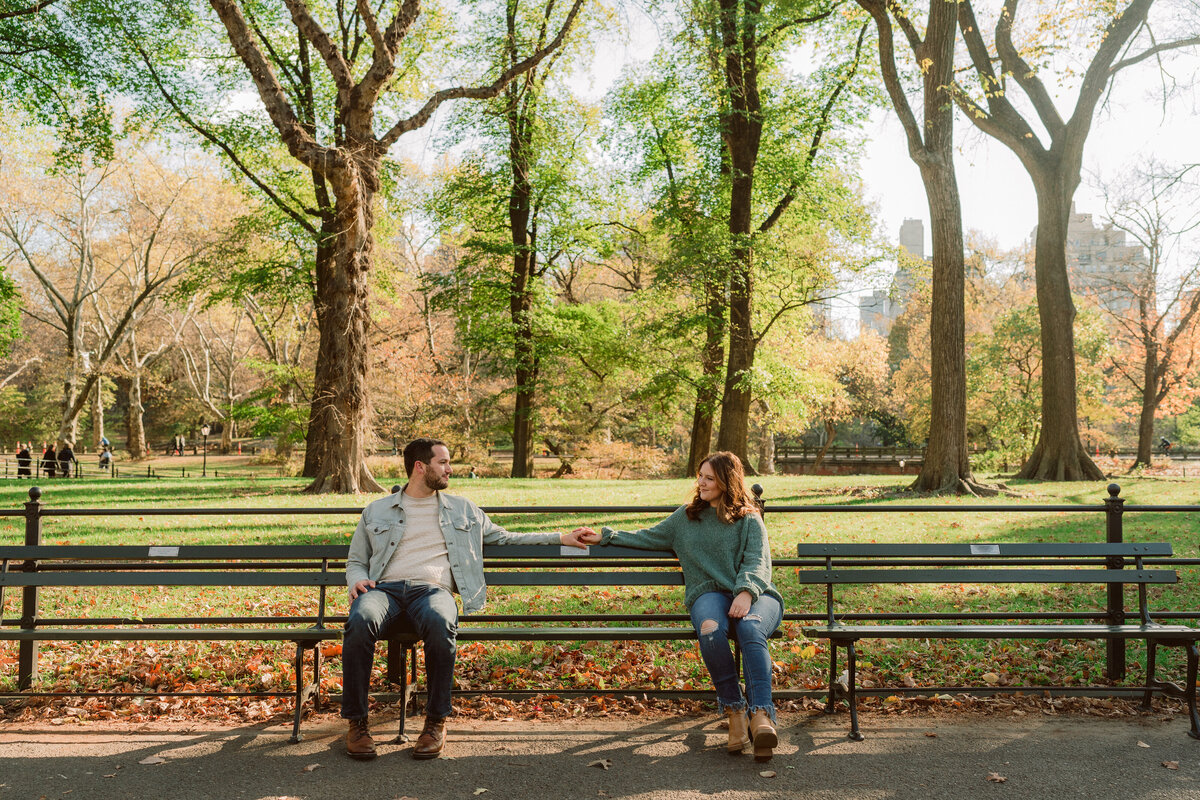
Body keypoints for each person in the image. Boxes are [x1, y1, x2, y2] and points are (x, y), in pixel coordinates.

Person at [342, 437, 591, 762]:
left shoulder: (463, 510)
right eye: (443, 463)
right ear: (420, 467)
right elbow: (356, 560)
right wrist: (356, 578)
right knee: (358, 622)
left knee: (441, 621)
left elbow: (506, 538)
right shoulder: (376, 510)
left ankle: (436, 722)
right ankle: (357, 724)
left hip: (431, 591)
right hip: (383, 592)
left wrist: (560, 538)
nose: (450, 469)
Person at [574, 451, 784, 762]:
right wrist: (605, 536)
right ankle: (735, 712)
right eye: (700, 476)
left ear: (727, 481)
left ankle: (762, 717)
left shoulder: (749, 519)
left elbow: (757, 561)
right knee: (711, 630)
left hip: (757, 594)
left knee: (751, 627)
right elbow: (646, 537)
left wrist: (745, 592)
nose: (701, 483)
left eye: (709, 478)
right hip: (708, 593)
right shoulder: (685, 518)